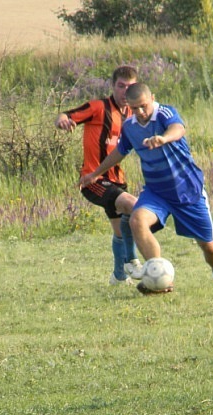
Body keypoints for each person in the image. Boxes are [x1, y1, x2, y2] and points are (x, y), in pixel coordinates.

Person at [80, 82, 213, 294]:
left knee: (208, 246)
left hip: (187, 191)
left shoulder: (164, 113)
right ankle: (159, 281)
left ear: (152, 98)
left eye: (143, 106)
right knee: (137, 220)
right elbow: (120, 152)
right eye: (134, 108)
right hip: (156, 192)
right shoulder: (129, 126)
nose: (140, 112)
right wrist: (95, 174)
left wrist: (163, 138)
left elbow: (178, 129)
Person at [55, 65, 143, 285]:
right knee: (133, 206)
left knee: (120, 231)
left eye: (130, 87)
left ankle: (119, 277)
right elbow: (65, 115)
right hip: (93, 180)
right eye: (121, 86)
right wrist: (62, 120)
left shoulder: (134, 114)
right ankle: (132, 261)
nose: (125, 91)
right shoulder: (98, 107)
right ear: (112, 86)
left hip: (117, 180)